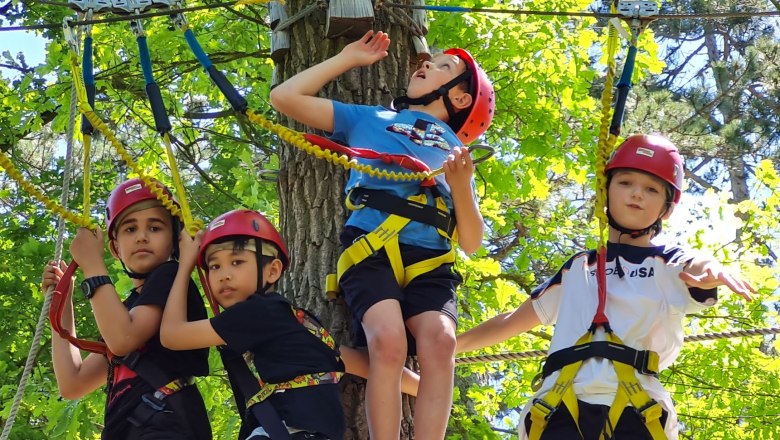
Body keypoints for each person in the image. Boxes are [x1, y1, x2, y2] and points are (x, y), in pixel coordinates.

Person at [269, 30, 494, 439]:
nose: (425, 64)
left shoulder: (455, 152)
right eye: (429, 62)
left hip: (430, 262)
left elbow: (472, 242)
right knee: (388, 344)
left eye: (442, 66)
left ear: (460, 99)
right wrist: (346, 58)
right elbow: (284, 97)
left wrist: (461, 185)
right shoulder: (371, 118)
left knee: (441, 343)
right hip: (372, 250)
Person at [456, 135, 756, 440]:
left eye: (651, 189)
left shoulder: (665, 263)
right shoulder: (578, 269)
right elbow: (512, 321)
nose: (637, 194)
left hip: (637, 412)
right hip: (559, 409)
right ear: (605, 191)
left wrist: (712, 270)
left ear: (666, 209)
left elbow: (694, 266)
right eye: (625, 182)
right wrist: (447, 347)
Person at [160, 209, 420, 439]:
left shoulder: (256, 314)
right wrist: (424, 385)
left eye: (237, 262)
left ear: (272, 271)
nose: (223, 274)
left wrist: (184, 268)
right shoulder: (296, 323)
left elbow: (172, 335)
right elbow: (362, 363)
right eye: (213, 267)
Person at [43, 178, 211, 440]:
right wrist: (62, 305)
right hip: (133, 427)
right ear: (116, 248)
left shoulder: (170, 276)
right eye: (130, 229)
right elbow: (73, 383)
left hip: (166, 424)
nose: (142, 236)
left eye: (155, 228)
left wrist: (92, 264)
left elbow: (124, 339)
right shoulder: (127, 312)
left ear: (175, 241)